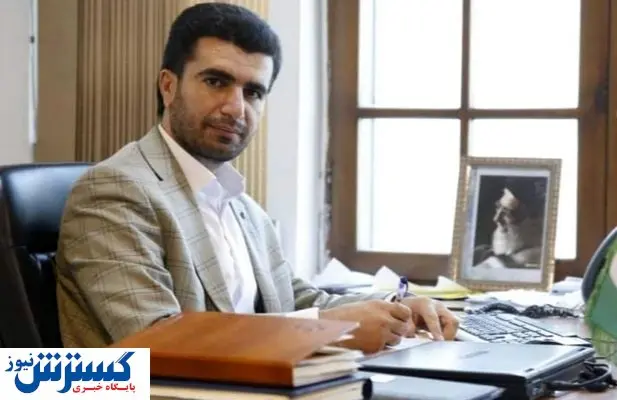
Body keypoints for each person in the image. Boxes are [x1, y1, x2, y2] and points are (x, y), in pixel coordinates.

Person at [54, 2, 458, 352]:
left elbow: (295, 302)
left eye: (253, 93)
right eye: (216, 82)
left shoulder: (239, 203)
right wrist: (332, 328)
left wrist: (396, 310)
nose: (235, 108)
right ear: (168, 86)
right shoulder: (114, 191)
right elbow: (157, 339)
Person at [473, 178, 545, 270]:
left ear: (537, 222)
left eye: (508, 213)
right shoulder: (479, 255)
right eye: (498, 206)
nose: (496, 219)